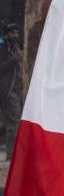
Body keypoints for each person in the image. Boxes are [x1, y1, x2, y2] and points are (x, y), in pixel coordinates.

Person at [0, 23, 23, 157]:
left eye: (17, 33)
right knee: (13, 123)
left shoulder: (14, 47)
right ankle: (12, 153)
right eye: (12, 33)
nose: (15, 35)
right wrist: (14, 60)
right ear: (7, 34)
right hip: (7, 90)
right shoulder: (3, 48)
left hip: (16, 89)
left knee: (12, 122)